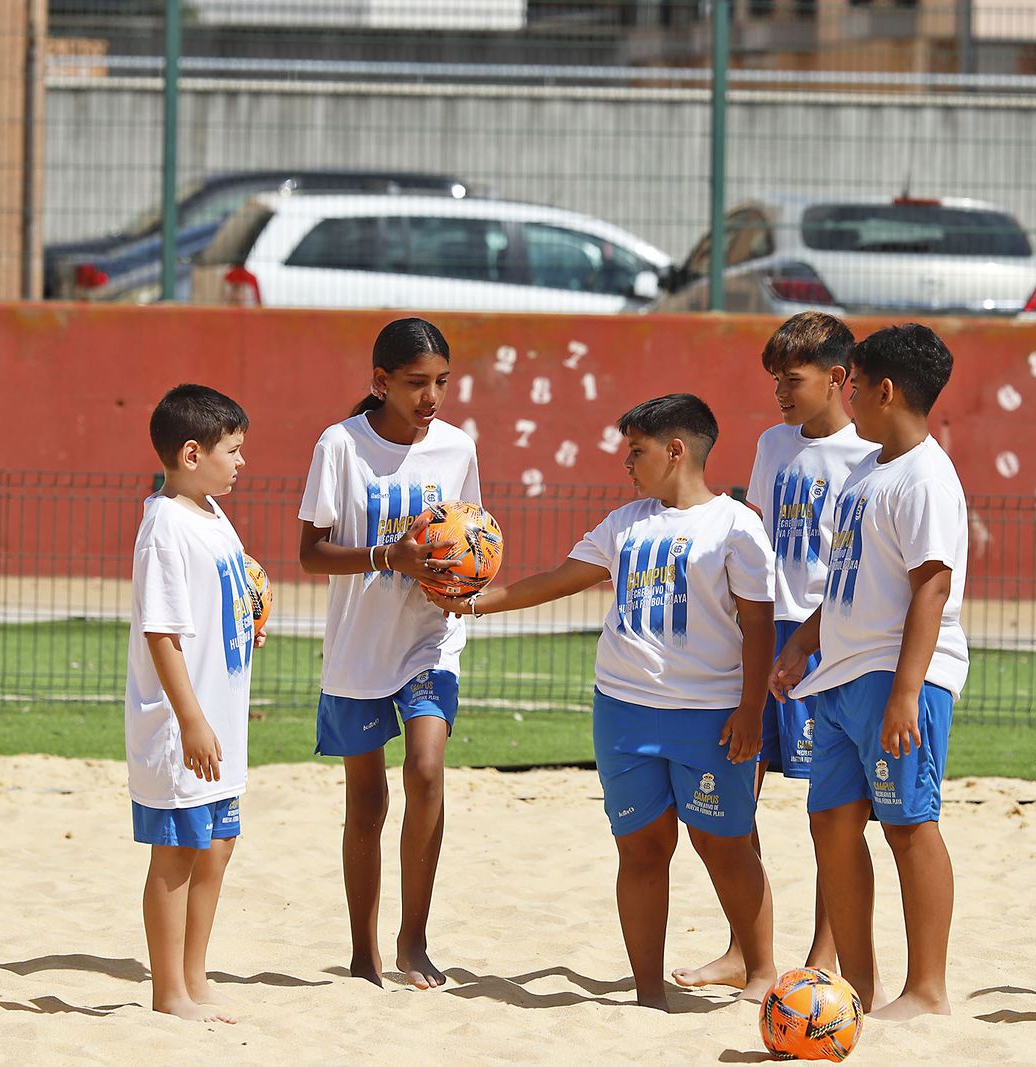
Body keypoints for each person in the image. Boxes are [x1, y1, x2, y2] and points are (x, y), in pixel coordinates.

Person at [427, 393, 778, 1010]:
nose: (627, 463)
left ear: (677, 450)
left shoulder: (736, 527)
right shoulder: (625, 523)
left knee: (724, 843)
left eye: (636, 451)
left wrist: (752, 711)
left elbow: (760, 627)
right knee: (641, 848)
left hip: (711, 718)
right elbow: (558, 579)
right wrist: (477, 601)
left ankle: (761, 972)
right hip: (623, 712)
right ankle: (647, 992)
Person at [771, 323, 967, 1021]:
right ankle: (858, 983)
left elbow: (932, 588)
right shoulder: (867, 470)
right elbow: (848, 579)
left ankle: (928, 987)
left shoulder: (925, 478)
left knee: (909, 824)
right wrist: (802, 645)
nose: (848, 394)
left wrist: (908, 692)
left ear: (885, 389)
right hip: (841, 676)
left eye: (854, 383)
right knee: (829, 822)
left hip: (897, 678)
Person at [672, 312, 873, 992]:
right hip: (762, 634)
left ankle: (824, 954)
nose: (781, 392)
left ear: (838, 378)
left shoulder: (868, 457)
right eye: (776, 380)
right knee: (736, 788)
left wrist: (814, 637)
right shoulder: (771, 443)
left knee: (833, 807)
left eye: (793, 379)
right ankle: (743, 948)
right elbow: (755, 536)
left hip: (828, 640)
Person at [297, 317, 476, 990]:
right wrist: (384, 554)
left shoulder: (457, 449)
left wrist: (462, 584)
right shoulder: (340, 446)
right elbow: (309, 554)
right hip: (357, 648)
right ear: (379, 381)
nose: (431, 397)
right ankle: (362, 951)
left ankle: (414, 941)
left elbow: (471, 538)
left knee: (427, 769)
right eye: (416, 383)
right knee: (366, 802)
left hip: (428, 638)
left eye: (441, 383)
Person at [126, 383, 263, 1023]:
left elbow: (220, 594)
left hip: (223, 717)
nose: (241, 462)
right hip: (185, 727)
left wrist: (249, 609)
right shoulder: (165, 526)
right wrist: (191, 720)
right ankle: (168, 993)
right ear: (190, 452)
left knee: (218, 847)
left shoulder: (211, 513)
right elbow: (162, 632)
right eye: (231, 451)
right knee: (177, 855)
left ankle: (195, 977)